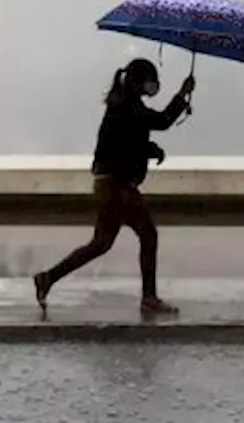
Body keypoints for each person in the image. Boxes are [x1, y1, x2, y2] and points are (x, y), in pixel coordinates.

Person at [32, 58, 195, 318]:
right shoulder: (129, 107)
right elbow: (162, 121)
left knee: (101, 243)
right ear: (140, 82)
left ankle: (48, 278)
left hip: (109, 185)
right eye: (151, 80)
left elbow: (129, 143)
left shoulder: (122, 106)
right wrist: (182, 95)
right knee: (147, 234)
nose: (154, 85)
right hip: (118, 187)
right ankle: (149, 298)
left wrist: (150, 150)